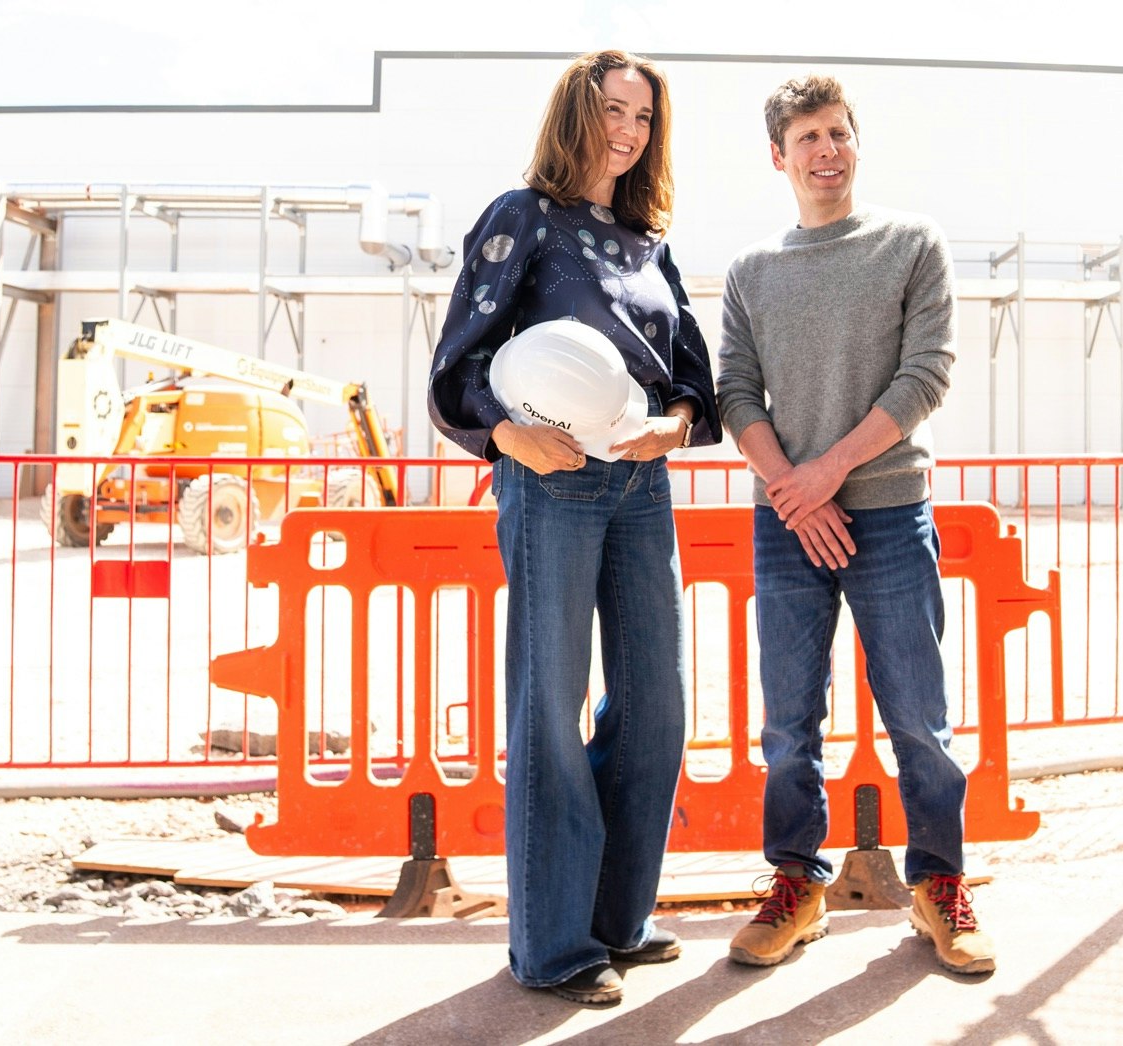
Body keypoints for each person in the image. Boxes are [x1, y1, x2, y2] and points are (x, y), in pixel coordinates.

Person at [427, 49, 719, 1006]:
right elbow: (456, 368)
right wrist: (511, 437)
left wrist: (673, 426)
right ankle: (553, 945)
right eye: (612, 111)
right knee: (549, 708)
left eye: (643, 117)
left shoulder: (648, 241)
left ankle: (616, 924)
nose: (628, 131)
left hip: (638, 486)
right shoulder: (522, 220)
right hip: (549, 481)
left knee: (655, 707)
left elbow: (690, 381)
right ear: (574, 116)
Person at [715, 73, 996, 975]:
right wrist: (795, 494)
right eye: (809, 138)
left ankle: (938, 888)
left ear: (854, 143)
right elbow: (733, 394)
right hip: (787, 527)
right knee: (788, 725)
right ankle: (797, 886)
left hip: (887, 514)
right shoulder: (753, 272)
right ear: (779, 156)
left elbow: (927, 374)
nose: (827, 151)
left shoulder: (911, 243)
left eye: (839, 133)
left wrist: (824, 474)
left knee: (919, 719)